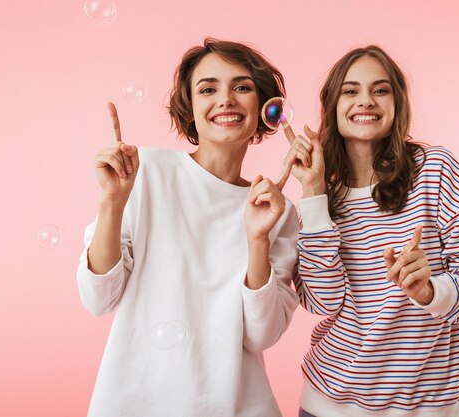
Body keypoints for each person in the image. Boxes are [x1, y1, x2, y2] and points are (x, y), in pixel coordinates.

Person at [76, 38, 300, 417]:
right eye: (208, 88)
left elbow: (261, 335)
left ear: (265, 110)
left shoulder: (278, 210)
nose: (225, 99)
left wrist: (258, 239)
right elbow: (98, 299)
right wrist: (112, 201)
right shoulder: (144, 172)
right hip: (135, 402)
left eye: (241, 87)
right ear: (190, 108)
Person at [283, 45, 459, 416]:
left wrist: (431, 291)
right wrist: (314, 193)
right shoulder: (322, 196)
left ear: (398, 103)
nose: (365, 101)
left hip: (428, 407)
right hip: (326, 403)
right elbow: (321, 302)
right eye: (350, 91)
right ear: (333, 105)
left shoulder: (436, 170)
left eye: (380, 90)